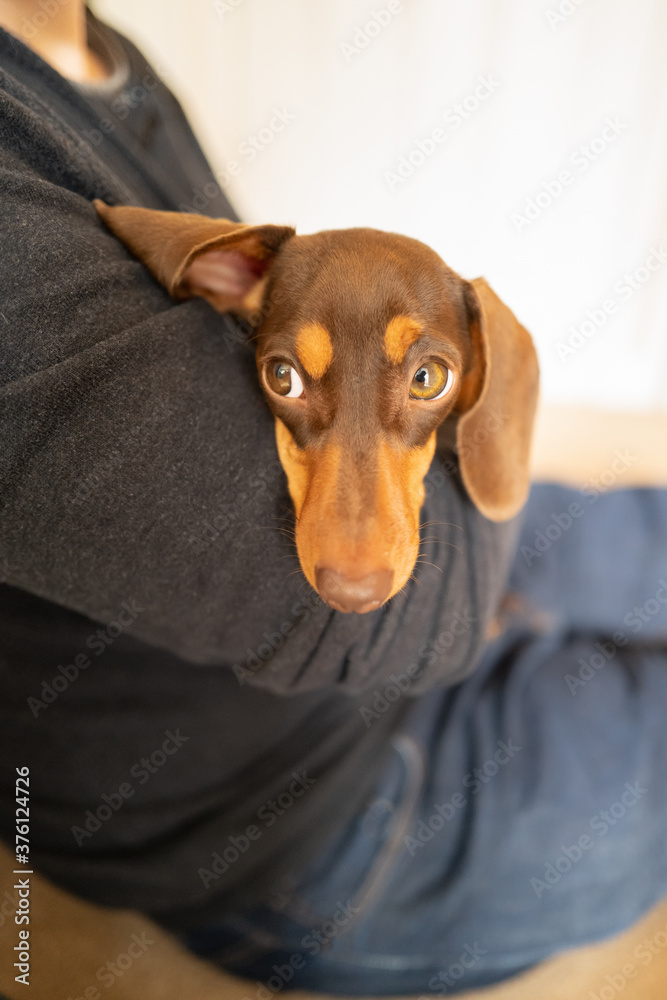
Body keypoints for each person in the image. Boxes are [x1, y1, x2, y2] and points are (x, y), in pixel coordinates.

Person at [1, 3, 666, 998]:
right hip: (297, 824)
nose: (357, 544)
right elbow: (378, 612)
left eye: (431, 384)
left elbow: (485, 494)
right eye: (288, 384)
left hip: (385, 662)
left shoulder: (103, 57)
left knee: (626, 541)